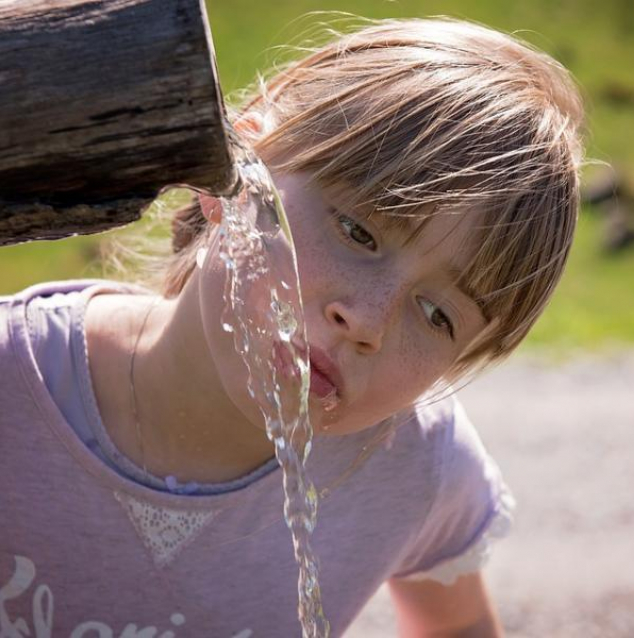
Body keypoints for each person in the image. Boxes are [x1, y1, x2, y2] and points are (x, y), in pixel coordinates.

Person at [0, 17, 582, 637]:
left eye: (438, 314)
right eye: (358, 232)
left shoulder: (409, 462)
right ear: (233, 173)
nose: (366, 321)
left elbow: (458, 627)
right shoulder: (14, 384)